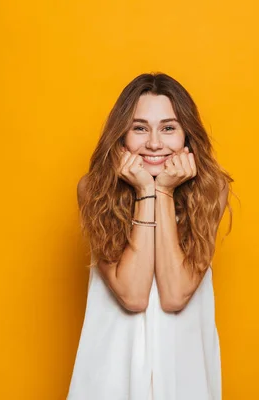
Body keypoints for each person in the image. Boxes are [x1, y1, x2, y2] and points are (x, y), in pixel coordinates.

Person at [67, 72, 233, 400]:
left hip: (184, 376)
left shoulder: (212, 190)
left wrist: (165, 193)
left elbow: (174, 295)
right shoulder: (94, 190)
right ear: (121, 137)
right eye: (140, 128)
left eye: (168, 128)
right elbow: (133, 295)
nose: (154, 143)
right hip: (110, 376)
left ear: (187, 136)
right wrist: (146, 190)